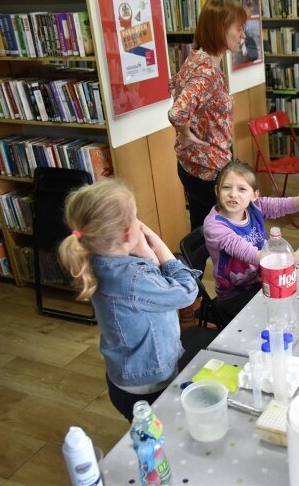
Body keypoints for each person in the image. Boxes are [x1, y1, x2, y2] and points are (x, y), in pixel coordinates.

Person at [58, 179, 200, 422]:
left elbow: (150, 292)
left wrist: (147, 257)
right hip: (149, 384)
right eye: (136, 216)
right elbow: (187, 292)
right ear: (127, 233)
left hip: (125, 378)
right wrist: (159, 247)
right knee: (159, 440)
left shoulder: (94, 259)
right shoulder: (133, 278)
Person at [203, 160, 299, 321]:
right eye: (226, 187)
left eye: (241, 189)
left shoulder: (255, 206)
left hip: (265, 279)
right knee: (283, 316)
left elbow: (286, 205)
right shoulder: (214, 226)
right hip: (236, 296)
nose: (233, 194)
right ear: (217, 190)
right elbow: (251, 254)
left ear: (254, 195)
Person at [169, 0, 248, 231]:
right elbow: (178, 112)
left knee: (201, 234)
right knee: (236, 229)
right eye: (239, 28)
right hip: (208, 169)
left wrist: (188, 132)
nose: (242, 35)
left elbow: (173, 84)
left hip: (193, 164)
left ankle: (191, 269)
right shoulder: (206, 73)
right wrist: (184, 131)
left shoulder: (196, 59)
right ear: (221, 29)